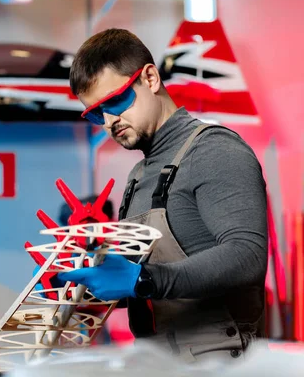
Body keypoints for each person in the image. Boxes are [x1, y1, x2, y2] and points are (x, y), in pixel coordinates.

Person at [56, 28, 269, 364]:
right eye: (97, 113)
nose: (110, 120)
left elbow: (247, 255)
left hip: (219, 362)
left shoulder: (214, 151)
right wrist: (83, 289)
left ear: (151, 78)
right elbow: (146, 289)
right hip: (160, 361)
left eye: (115, 100)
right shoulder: (138, 176)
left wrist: (143, 279)